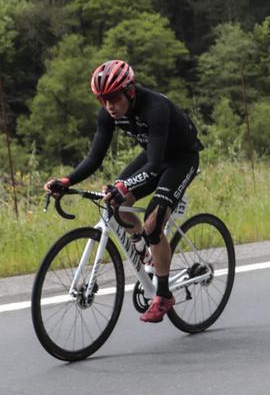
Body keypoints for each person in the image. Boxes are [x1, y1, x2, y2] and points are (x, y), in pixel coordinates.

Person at [44, 59, 203, 324]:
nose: (109, 106)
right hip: (154, 157)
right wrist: (66, 180)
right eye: (102, 100)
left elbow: (154, 164)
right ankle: (145, 254)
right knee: (115, 204)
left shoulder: (155, 108)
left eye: (114, 98)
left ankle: (163, 295)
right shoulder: (108, 114)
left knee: (153, 223)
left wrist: (124, 186)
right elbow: (95, 158)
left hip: (180, 159)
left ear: (129, 91)